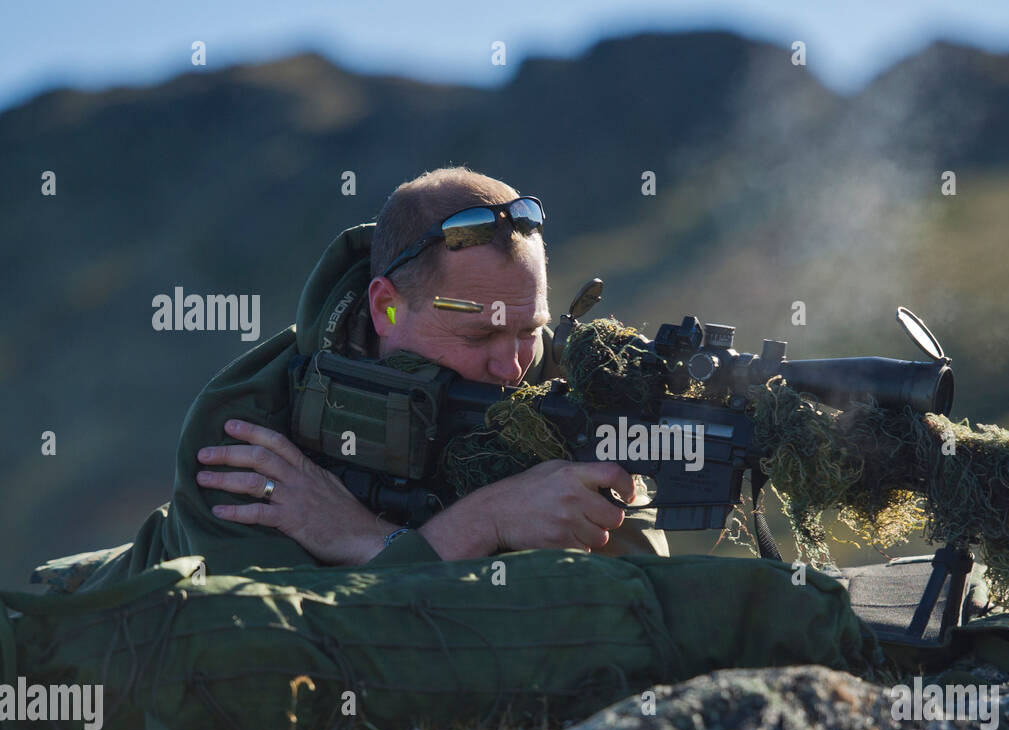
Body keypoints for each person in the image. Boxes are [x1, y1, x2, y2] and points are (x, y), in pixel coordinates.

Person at [60, 167, 667, 594]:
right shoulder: (251, 420)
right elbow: (294, 656)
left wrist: (368, 541)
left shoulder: (567, 391)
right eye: (479, 336)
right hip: (82, 631)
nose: (512, 367)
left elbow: (638, 590)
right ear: (386, 308)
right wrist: (481, 525)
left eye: (529, 328)